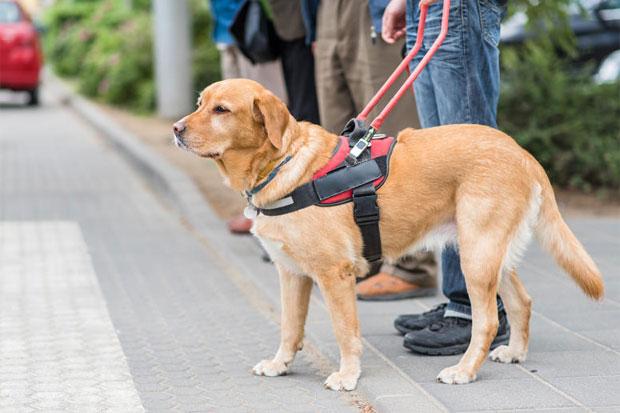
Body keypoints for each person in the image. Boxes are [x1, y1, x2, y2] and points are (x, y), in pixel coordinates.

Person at [382, 0, 510, 354]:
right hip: (425, 7)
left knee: (469, 158)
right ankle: (459, 299)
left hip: (459, 6)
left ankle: (474, 308)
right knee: (441, 162)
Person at [310, 0, 439, 301]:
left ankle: (413, 267)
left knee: (392, 139)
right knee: (339, 144)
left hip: (375, 8)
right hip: (326, 11)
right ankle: (363, 257)